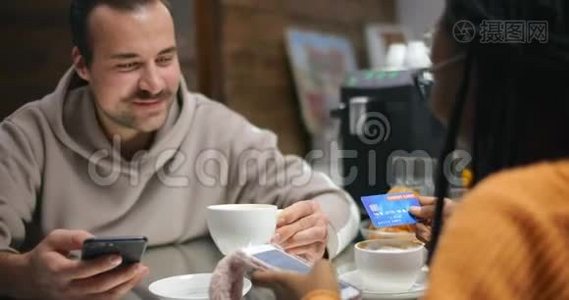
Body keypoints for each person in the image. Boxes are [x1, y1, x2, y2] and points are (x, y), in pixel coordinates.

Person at [0, 0, 360, 299]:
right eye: (128, 64)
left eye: (165, 58)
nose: (153, 84)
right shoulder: (27, 137)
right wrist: (23, 276)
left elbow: (334, 200)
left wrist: (317, 233)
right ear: (82, 64)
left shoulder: (217, 129)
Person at [252, 0, 569, 299]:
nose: (432, 40)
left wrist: (318, 293)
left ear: (472, 64)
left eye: (445, 17)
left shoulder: (505, 219)